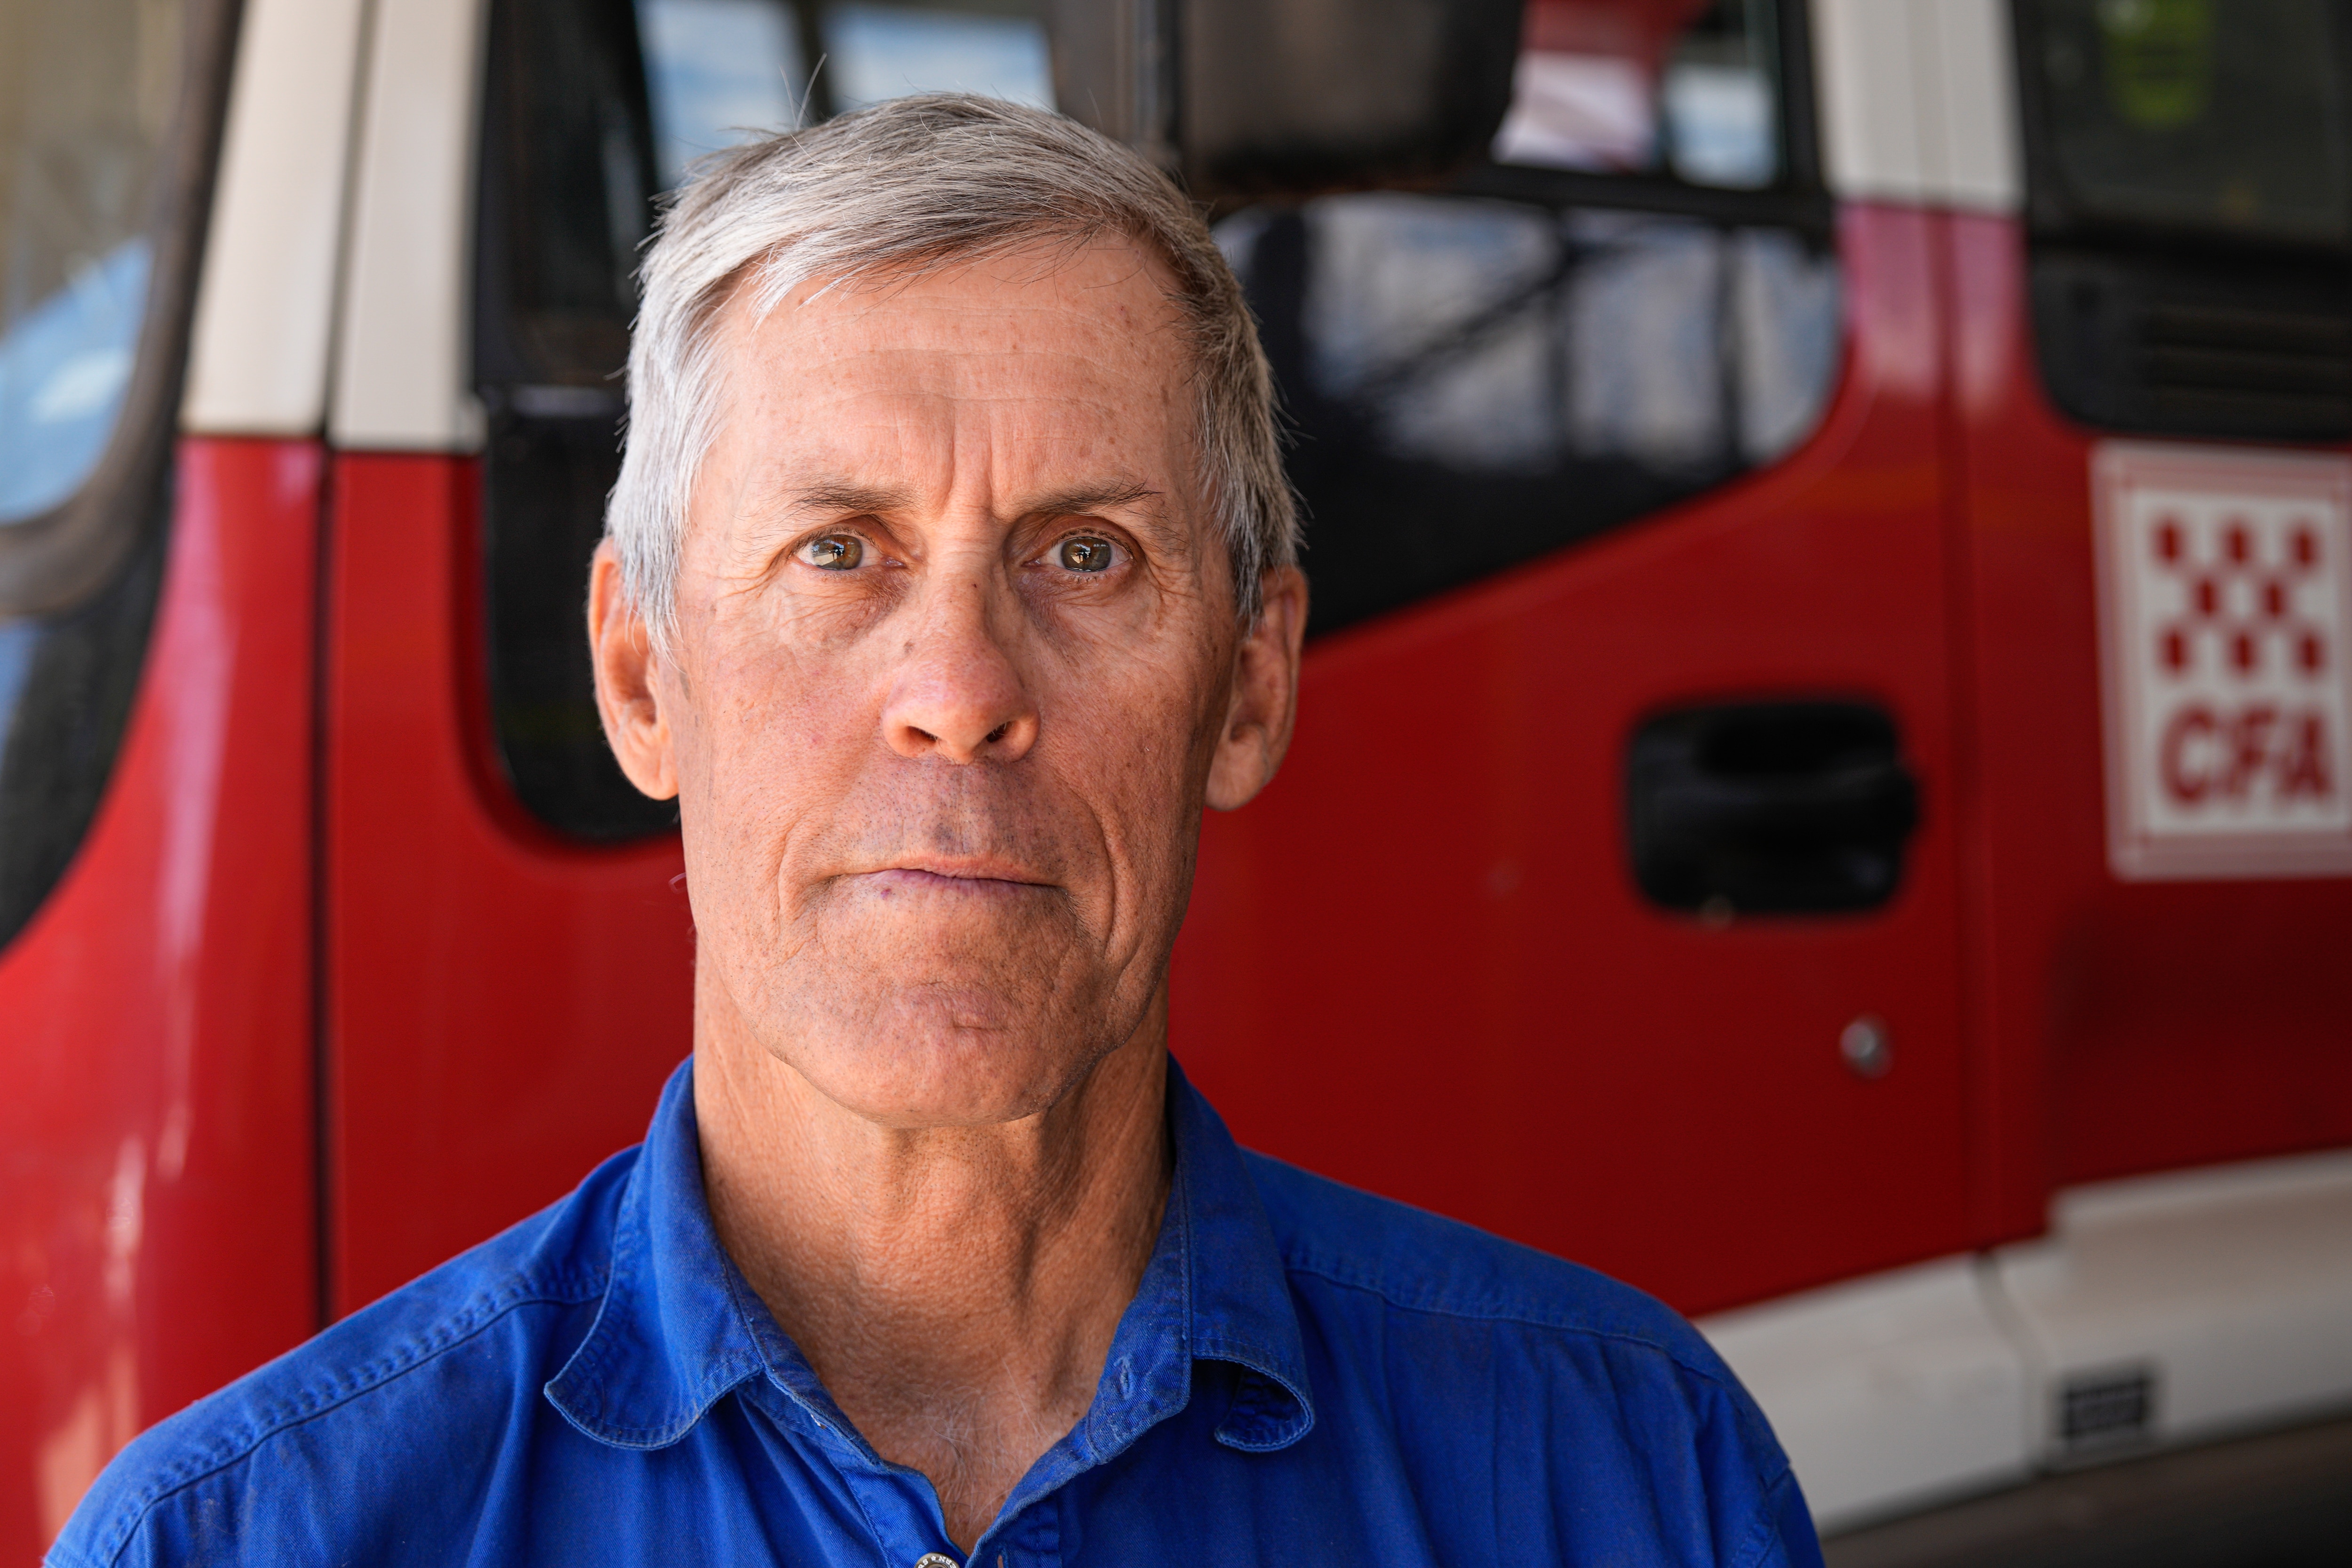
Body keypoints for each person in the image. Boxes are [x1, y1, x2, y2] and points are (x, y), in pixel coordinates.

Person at [53, 96, 1820, 1567]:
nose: (961, 687)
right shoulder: (242, 1542)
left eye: (1085, 555)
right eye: (840, 553)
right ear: (642, 677)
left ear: (1252, 686)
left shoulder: (1630, 1482)